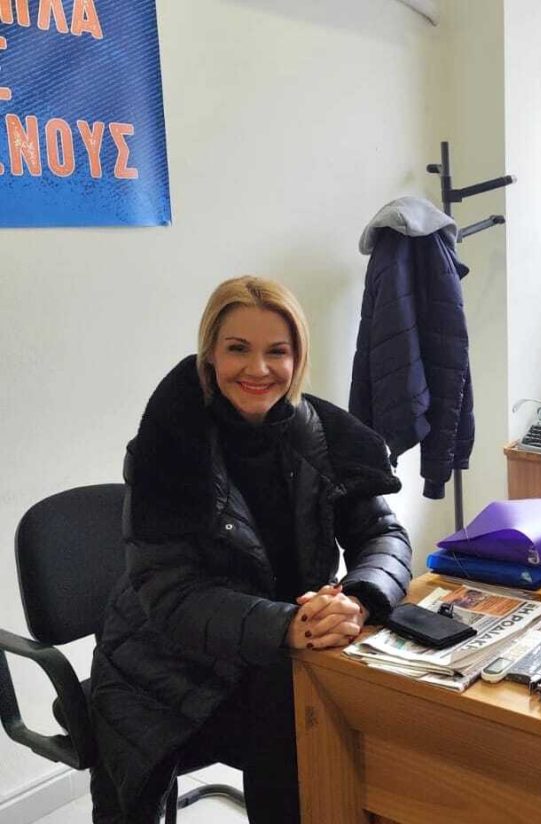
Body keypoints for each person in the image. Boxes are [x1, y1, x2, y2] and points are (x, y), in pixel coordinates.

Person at [88, 276, 413, 823]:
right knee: (296, 722)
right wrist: (288, 626)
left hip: (283, 644)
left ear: (297, 359)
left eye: (276, 352)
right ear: (211, 354)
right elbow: (173, 596)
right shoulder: (166, 447)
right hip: (171, 664)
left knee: (378, 706)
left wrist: (357, 599)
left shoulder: (320, 434)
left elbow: (383, 534)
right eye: (238, 348)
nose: (258, 369)